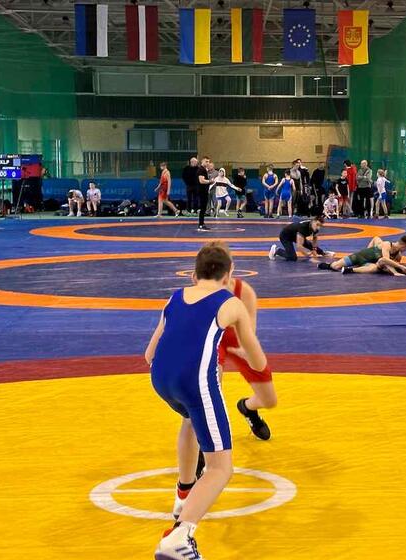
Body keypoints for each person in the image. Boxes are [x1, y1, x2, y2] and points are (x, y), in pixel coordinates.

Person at [145, 242, 267, 560]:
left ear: (194, 274)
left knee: (189, 418)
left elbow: (148, 354)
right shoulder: (231, 302)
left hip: (160, 380)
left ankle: (184, 494)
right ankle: (179, 538)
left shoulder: (175, 297)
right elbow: (256, 360)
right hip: (194, 383)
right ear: (228, 275)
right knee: (220, 467)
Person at [218, 276, 277, 440]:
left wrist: (248, 350)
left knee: (269, 400)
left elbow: (249, 331)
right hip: (213, 338)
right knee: (212, 388)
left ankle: (247, 408)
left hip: (238, 339)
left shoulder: (245, 292)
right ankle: (205, 441)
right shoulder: (201, 292)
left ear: (230, 269)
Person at [318, 235, 406, 276]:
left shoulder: (398, 255)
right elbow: (385, 259)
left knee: (374, 268)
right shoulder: (387, 244)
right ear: (403, 245)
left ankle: (350, 270)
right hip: (360, 256)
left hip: (368, 263)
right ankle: (328, 265)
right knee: (335, 266)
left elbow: (389, 265)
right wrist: (398, 271)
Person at [196, 157, 213, 231]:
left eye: (208, 161)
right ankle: (201, 224)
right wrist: (210, 181)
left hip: (204, 191)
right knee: (203, 208)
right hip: (202, 191)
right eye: (206, 161)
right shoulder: (201, 169)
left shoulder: (204, 169)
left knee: (203, 208)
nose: (207, 163)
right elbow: (201, 181)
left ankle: (202, 223)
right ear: (202, 161)